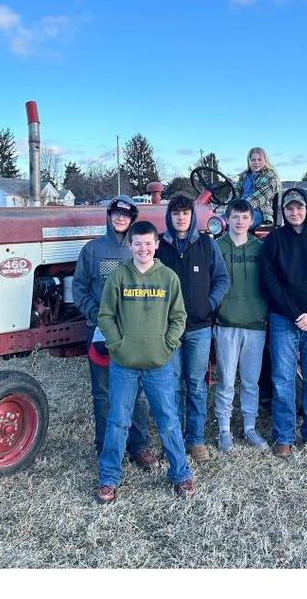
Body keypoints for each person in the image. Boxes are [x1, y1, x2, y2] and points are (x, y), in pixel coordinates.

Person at [95, 220, 193, 502]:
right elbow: (106, 316)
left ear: (156, 245)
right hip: (124, 363)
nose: (143, 249)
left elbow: (179, 317)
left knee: (168, 420)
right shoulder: (119, 277)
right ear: (130, 246)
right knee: (118, 420)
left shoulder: (168, 278)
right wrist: (117, 345)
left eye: (148, 243)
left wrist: (167, 346)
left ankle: (181, 474)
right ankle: (109, 477)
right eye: (137, 244)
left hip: (159, 363)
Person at [72, 195, 156, 471]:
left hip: (135, 331)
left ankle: (139, 445)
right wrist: (101, 317)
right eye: (116, 214)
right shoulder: (93, 250)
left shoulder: (139, 250)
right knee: (103, 391)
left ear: (133, 219)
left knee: (139, 391)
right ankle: (106, 446)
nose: (121, 219)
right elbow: (80, 289)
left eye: (126, 215)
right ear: (109, 216)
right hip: (101, 331)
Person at [259, 188, 307, 457]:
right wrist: (294, 313)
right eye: (289, 208)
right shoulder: (274, 241)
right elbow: (269, 281)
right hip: (283, 319)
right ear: (283, 211)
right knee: (282, 379)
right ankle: (284, 436)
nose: (295, 212)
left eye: (299, 207)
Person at [156, 194, 231, 462]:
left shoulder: (207, 244)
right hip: (169, 329)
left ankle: (196, 439)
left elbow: (222, 279)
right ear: (170, 216)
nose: (181, 217)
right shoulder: (160, 247)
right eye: (176, 213)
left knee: (197, 385)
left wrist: (208, 304)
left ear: (192, 215)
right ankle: (174, 439)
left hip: (199, 327)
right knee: (173, 385)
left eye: (185, 212)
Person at [213, 198, 270, 451]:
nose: (240, 221)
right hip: (226, 323)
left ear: (251, 220)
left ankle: (249, 426)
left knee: (250, 380)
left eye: (245, 217)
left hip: (255, 324)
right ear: (227, 219)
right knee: (225, 379)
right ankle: (224, 429)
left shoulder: (261, 248)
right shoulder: (217, 247)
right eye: (235, 217)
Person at [236, 147, 281, 227]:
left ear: (265, 160)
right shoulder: (243, 176)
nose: (256, 162)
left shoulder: (270, 177)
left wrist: (240, 208)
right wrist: (230, 207)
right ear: (249, 161)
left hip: (260, 212)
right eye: (253, 160)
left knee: (238, 223)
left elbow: (258, 198)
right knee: (217, 221)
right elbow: (235, 191)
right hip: (238, 209)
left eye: (259, 160)